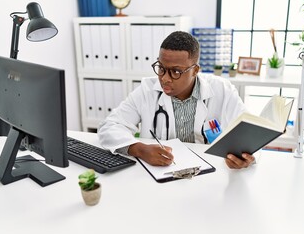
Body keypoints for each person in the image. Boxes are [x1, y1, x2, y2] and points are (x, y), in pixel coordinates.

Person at [98, 31, 255, 169]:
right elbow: (109, 126)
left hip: (208, 171)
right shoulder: (147, 90)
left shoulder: (222, 89)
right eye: (161, 68)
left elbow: (249, 133)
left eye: (175, 71)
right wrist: (139, 148)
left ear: (195, 70)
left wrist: (244, 158)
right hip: (162, 173)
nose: (165, 78)